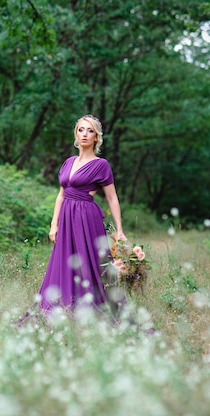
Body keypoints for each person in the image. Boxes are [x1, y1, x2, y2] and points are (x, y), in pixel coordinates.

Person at [34, 114, 127, 320]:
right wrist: (53, 224)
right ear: (76, 134)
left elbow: (112, 198)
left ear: (96, 137)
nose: (85, 134)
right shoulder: (68, 162)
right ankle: (65, 306)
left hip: (86, 218)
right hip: (66, 218)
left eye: (90, 130)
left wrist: (119, 229)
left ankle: (96, 309)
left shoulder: (101, 164)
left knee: (90, 262)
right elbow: (61, 194)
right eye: (81, 130)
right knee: (65, 261)